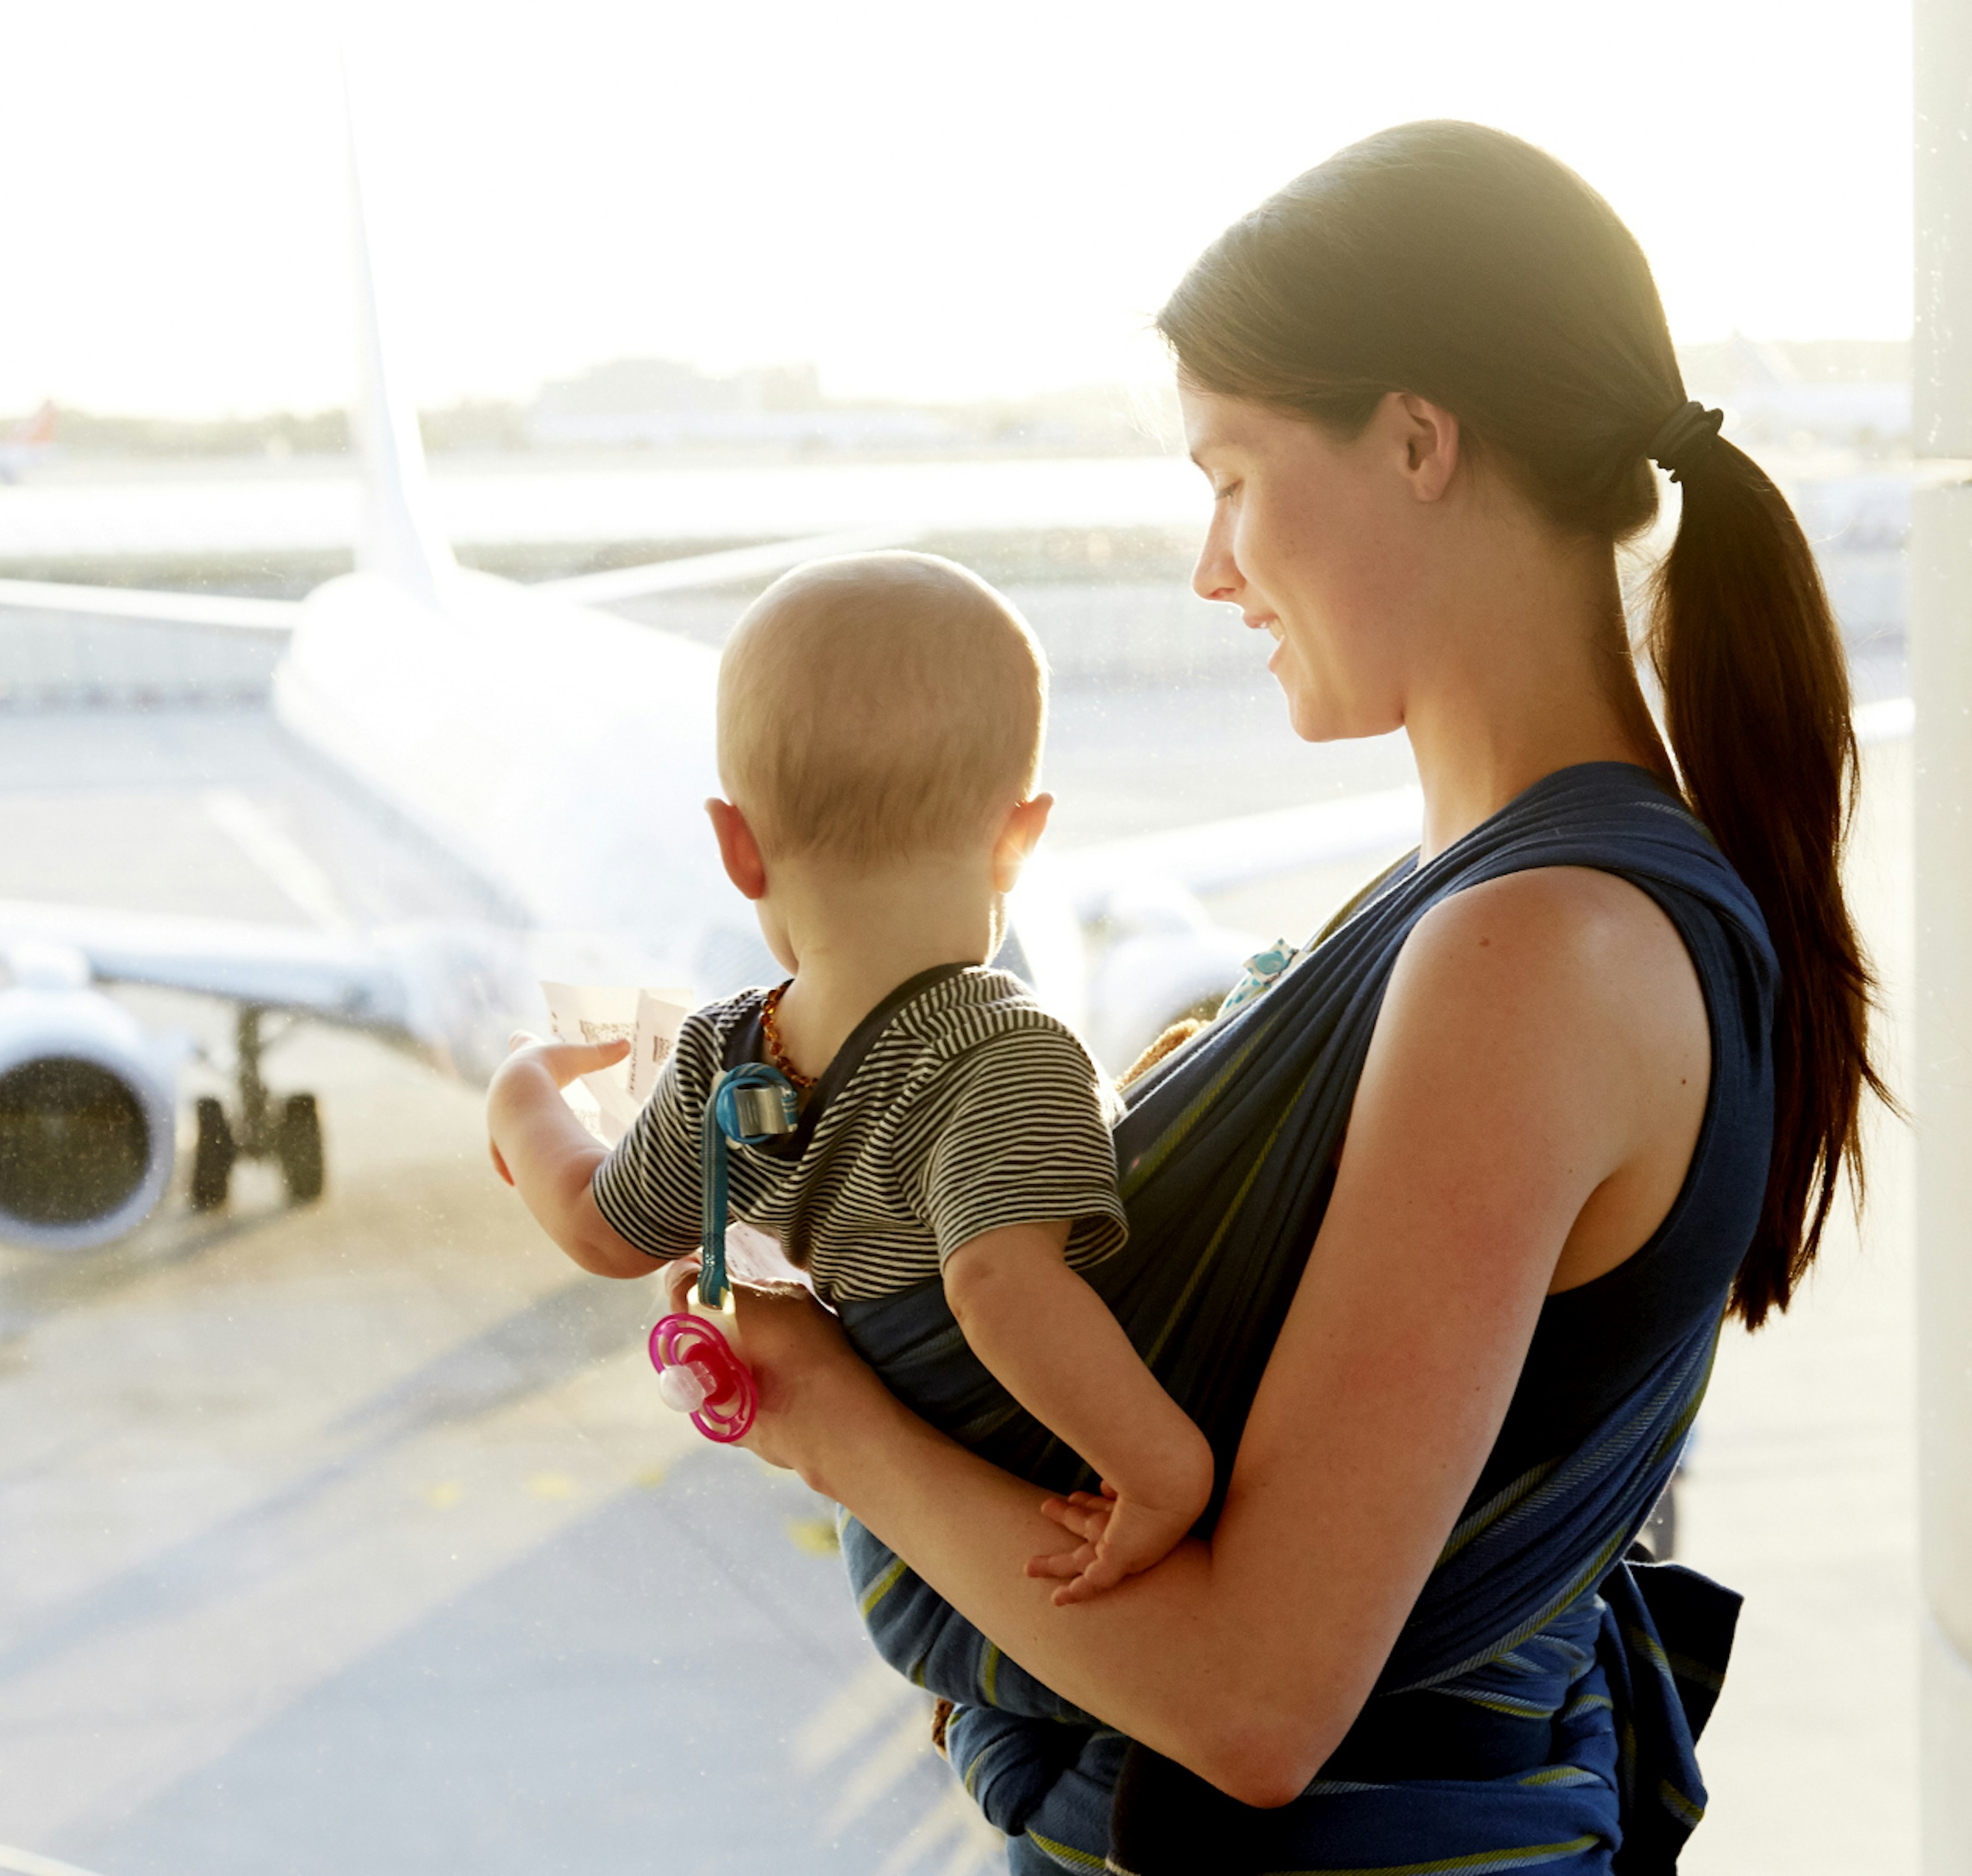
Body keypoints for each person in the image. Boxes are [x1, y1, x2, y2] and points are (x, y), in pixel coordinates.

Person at [696, 121, 1885, 1873]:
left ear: (1417, 438)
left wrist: (822, 1418)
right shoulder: (1490, 901)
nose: (1212, 564)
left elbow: (1260, 1702)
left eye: (1235, 475)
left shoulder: (1536, 949)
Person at [486, 550, 1216, 1613]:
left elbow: (604, 1231)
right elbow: (998, 1283)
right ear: (1021, 838)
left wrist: (522, 1101)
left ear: (738, 848)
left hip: (904, 1554)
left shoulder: (719, 1055)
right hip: (1009, 1525)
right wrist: (1162, 1474)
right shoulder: (1011, 1051)